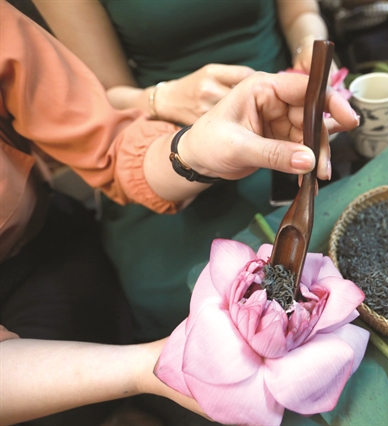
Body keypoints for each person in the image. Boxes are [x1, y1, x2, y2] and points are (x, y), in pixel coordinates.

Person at [0, 2, 358, 424]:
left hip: (243, 126)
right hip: (159, 125)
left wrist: (191, 153)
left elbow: (110, 145)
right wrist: (164, 99)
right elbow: (106, 105)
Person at [32, 0, 344, 342]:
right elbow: (102, 99)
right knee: (188, 303)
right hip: (160, 138)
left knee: (334, 259)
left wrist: (307, 47)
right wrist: (163, 98)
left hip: (279, 117)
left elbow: (300, 13)